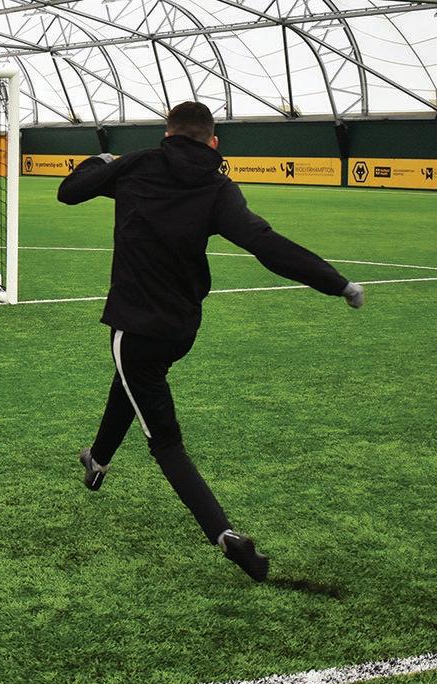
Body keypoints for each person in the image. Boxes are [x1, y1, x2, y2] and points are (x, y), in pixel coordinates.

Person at [57, 101, 365, 583]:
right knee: (133, 382)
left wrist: (102, 160)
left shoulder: (138, 165)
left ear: (167, 134)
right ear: (213, 141)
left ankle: (225, 535)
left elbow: (70, 192)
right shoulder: (217, 186)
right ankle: (97, 461)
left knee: (165, 441)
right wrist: (337, 283)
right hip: (181, 329)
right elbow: (266, 244)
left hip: (136, 328)